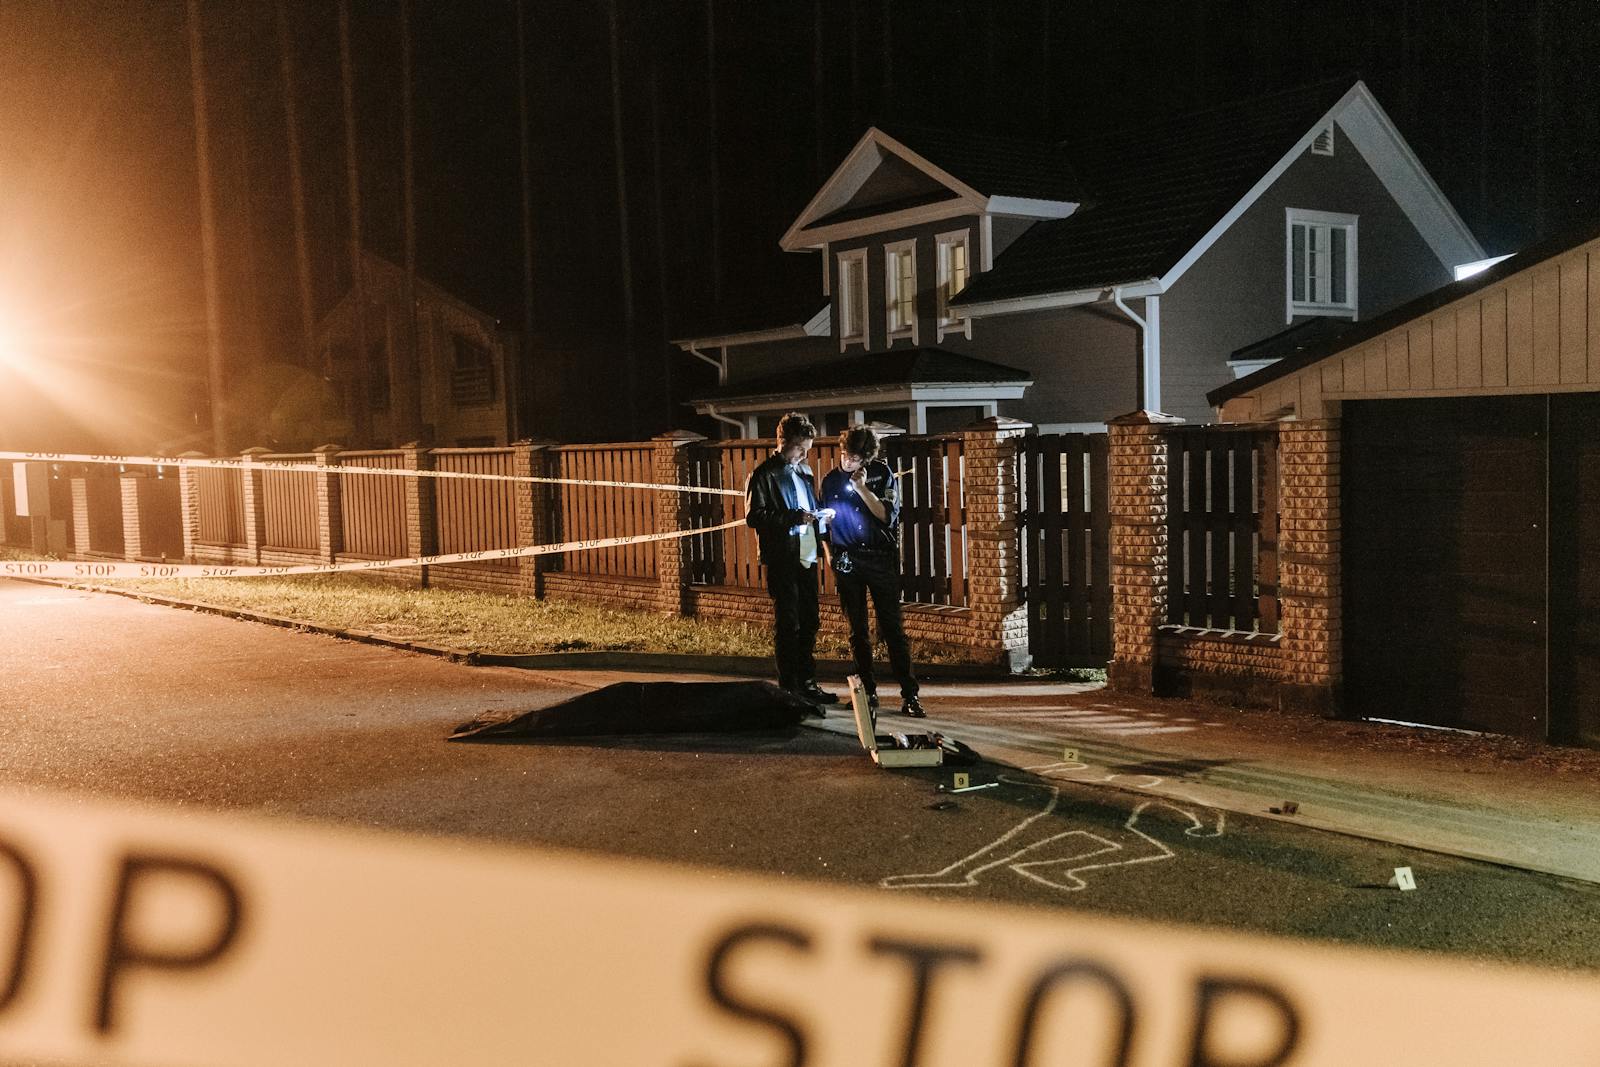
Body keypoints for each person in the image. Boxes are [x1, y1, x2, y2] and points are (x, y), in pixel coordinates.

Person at [818, 425, 924, 717]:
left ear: (867, 459)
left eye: (858, 460)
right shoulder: (829, 481)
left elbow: (887, 515)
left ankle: (910, 695)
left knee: (892, 628)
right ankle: (866, 693)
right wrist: (829, 555)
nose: (851, 463)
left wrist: (863, 488)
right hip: (847, 560)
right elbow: (822, 526)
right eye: (848, 456)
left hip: (879, 559)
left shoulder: (881, 474)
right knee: (858, 631)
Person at [744, 412, 837, 705]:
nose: (804, 454)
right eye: (801, 449)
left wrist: (821, 519)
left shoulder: (804, 472)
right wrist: (793, 517)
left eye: (807, 450)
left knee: (810, 619)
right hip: (783, 556)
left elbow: (810, 506)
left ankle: (807, 682)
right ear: (785, 443)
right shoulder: (764, 474)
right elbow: (754, 516)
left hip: (807, 553)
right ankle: (789, 688)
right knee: (789, 622)